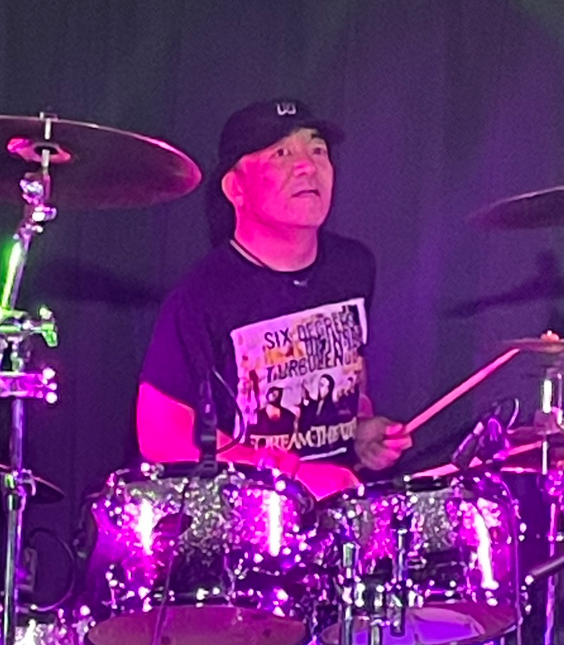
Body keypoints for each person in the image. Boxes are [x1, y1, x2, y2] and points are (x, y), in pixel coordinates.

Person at [137, 98, 411, 499]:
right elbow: (161, 437)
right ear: (235, 188)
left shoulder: (353, 266)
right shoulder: (202, 295)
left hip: (338, 513)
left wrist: (360, 431)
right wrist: (294, 476)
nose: (307, 166)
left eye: (317, 149)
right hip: (246, 517)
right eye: (281, 153)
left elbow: (350, 380)